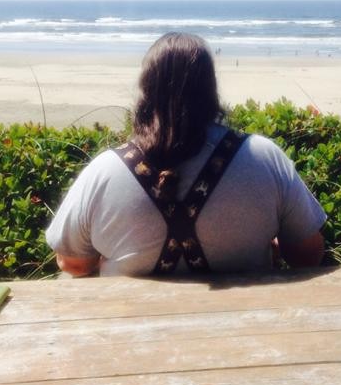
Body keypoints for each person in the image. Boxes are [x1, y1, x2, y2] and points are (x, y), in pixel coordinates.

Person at [47, 32, 326, 277]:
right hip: (243, 330)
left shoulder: (105, 170)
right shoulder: (265, 158)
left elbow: (74, 264)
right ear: (211, 90)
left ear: (145, 92)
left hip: (134, 332)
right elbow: (307, 254)